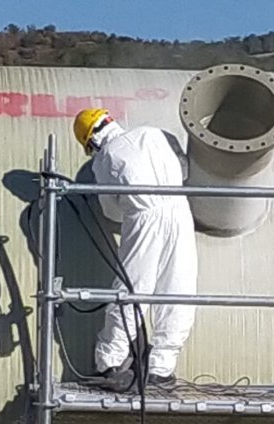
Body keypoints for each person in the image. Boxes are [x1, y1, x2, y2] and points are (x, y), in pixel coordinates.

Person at [72, 108, 197, 390]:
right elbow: (183, 167)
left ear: (91, 141)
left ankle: (110, 363)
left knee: (131, 289)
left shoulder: (105, 158)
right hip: (180, 211)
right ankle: (161, 369)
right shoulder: (153, 133)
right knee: (178, 289)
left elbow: (110, 210)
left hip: (143, 218)